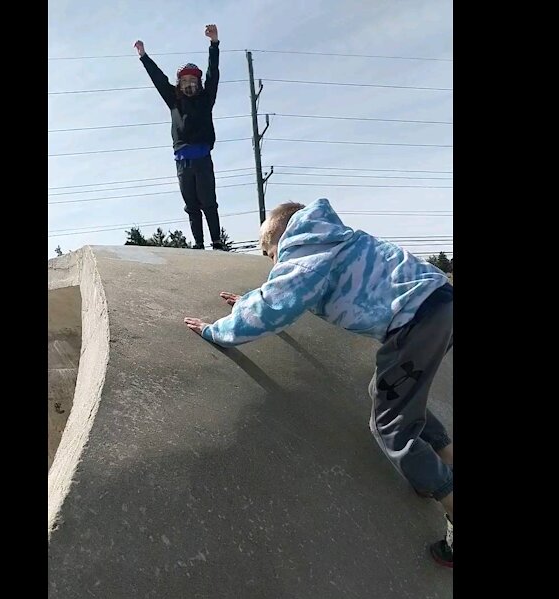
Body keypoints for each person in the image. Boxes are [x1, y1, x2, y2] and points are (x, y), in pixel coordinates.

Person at [182, 199, 456, 567]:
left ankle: (449, 500)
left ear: (282, 235)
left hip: (415, 323)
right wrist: (249, 299)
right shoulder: (331, 237)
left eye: (269, 253)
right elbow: (278, 293)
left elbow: (275, 306)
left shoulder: (303, 252)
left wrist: (215, 331)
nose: (272, 263)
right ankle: (444, 461)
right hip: (438, 302)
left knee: (390, 427)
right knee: (389, 394)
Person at [134, 25, 224, 250]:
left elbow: (213, 75)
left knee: (208, 203)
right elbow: (158, 79)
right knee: (191, 205)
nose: (189, 84)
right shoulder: (174, 101)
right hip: (182, 162)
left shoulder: (206, 99)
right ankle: (200, 244)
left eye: (193, 80)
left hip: (202, 159)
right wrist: (144, 57)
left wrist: (214, 44)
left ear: (198, 83)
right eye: (185, 81)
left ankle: (217, 241)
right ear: (179, 84)